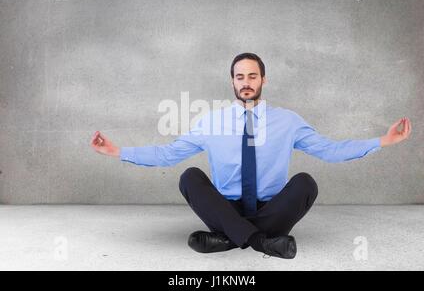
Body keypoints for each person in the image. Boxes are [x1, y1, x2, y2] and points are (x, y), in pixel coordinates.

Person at [91, 52, 412, 259]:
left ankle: (230, 239)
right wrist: (117, 151)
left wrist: (382, 140)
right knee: (190, 177)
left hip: (271, 208)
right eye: (240, 77)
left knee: (305, 182)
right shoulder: (211, 121)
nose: (246, 83)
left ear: (263, 80)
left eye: (252, 76)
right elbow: (168, 154)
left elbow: (330, 150)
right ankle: (261, 242)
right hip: (226, 207)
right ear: (232, 81)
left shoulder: (287, 121)